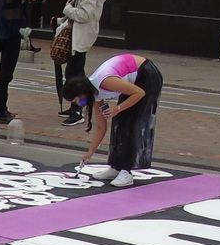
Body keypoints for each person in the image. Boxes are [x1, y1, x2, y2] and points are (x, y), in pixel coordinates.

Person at [64, 52, 165, 187]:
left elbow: (139, 93)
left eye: (77, 100)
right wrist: (90, 152)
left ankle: (126, 171)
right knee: (119, 122)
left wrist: (117, 108)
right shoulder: (94, 95)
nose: (78, 103)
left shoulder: (105, 81)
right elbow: (101, 126)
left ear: (81, 92)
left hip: (146, 75)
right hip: (133, 83)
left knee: (130, 123)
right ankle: (116, 166)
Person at [55, 0, 113, 128]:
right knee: (74, 73)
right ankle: (76, 106)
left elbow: (84, 14)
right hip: (79, 36)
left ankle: (79, 110)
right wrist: (61, 19)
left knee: (74, 75)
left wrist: (66, 10)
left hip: (80, 38)